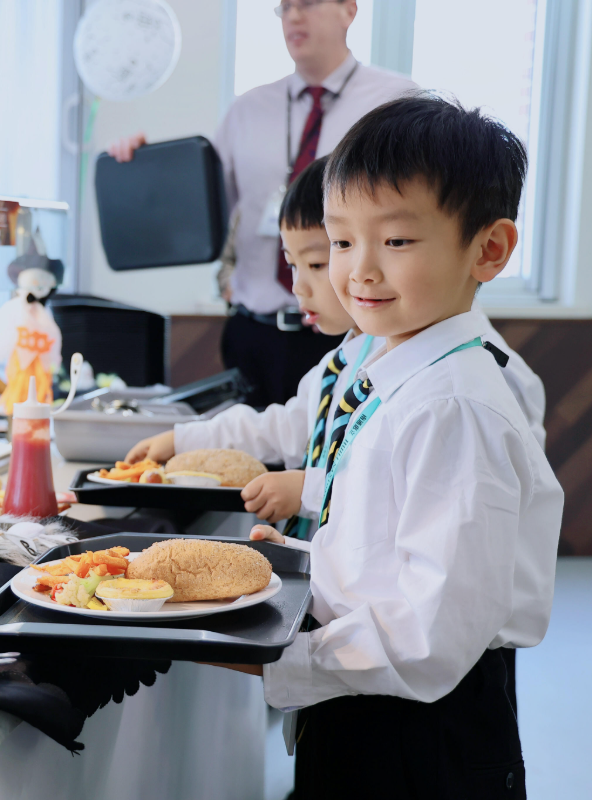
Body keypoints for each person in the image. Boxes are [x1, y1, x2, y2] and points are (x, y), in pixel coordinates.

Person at [203, 95, 565, 798]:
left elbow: (426, 638)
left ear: (488, 250)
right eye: (342, 242)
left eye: (396, 241)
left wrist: (267, 655)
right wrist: (300, 561)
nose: (359, 270)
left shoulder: (453, 406)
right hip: (365, 698)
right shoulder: (393, 372)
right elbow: (385, 548)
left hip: (417, 731)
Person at [109, 0, 416, 408]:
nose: (293, 16)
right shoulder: (247, 110)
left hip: (352, 332)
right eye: (284, 7)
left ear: (349, 9)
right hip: (254, 333)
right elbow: (197, 212)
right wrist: (145, 171)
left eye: (307, 3)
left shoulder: (396, 103)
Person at [126, 157, 377, 528]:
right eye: (292, 265)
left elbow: (384, 488)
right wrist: (183, 440)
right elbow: (280, 428)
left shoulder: (391, 368)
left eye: (316, 264)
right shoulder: (336, 365)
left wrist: (308, 491)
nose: (298, 287)